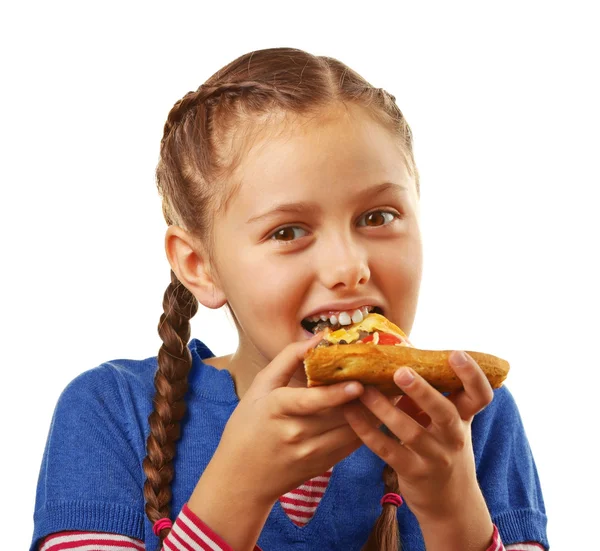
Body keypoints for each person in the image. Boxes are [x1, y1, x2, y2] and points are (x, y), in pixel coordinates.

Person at [30, 47, 549, 551]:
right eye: (288, 231)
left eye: (378, 217)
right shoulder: (112, 411)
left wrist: (451, 509)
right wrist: (239, 488)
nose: (349, 267)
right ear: (198, 265)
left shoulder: (471, 419)